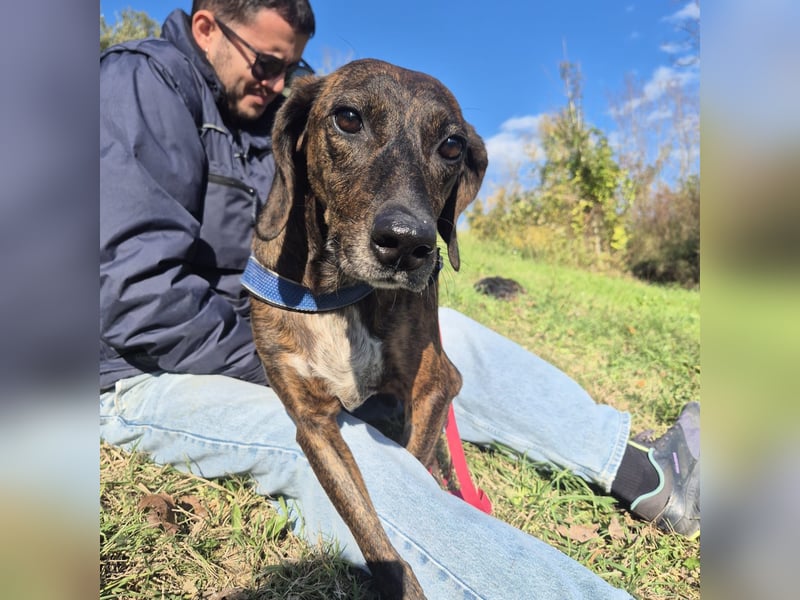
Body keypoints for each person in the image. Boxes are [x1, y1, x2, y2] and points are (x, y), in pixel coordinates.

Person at [100, 1, 699, 598]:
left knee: (453, 338)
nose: (279, 82)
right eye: (266, 62)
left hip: (283, 318)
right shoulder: (138, 84)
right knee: (350, 452)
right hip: (145, 372)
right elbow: (136, 294)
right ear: (207, 28)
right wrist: (293, 368)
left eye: (292, 65)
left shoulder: (264, 115)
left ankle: (644, 469)